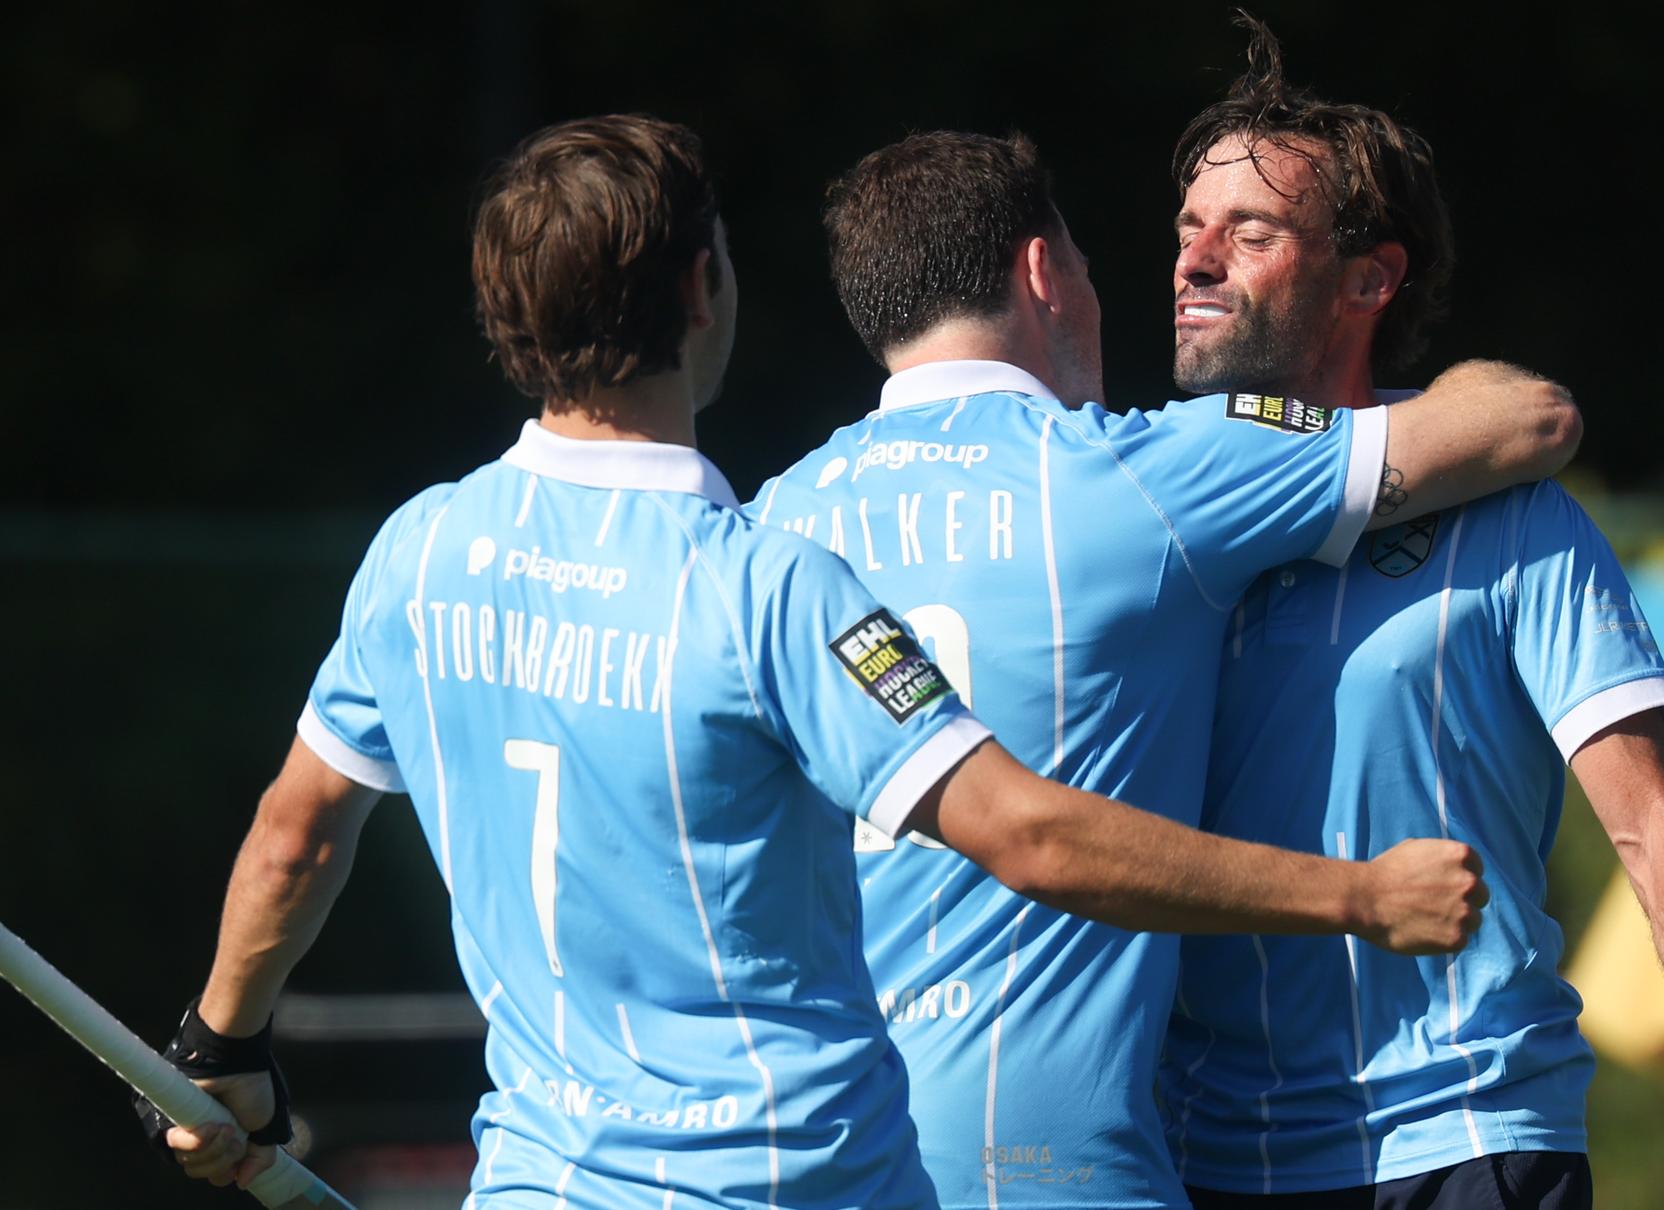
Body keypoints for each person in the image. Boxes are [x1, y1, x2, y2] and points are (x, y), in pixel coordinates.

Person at [148, 115, 1495, 1209]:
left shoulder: (420, 552)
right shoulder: (768, 587)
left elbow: (294, 836)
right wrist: (1356, 892)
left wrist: (221, 1046)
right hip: (793, 1181)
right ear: (703, 290)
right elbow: (1027, 833)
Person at [750, 128, 1580, 1209]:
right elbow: (1529, 420)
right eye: (1090, 266)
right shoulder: (1143, 470)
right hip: (1050, 1170)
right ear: (1044, 274)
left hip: (817, 1152)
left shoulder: (762, 529)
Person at [1155, 19, 1664, 1210]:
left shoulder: (1515, 513)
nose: (1194, 262)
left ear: (1370, 280)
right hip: (1197, 1153)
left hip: (1466, 1135)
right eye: (1187, 230)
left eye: (1249, 233)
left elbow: (1651, 822)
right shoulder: (1133, 498)